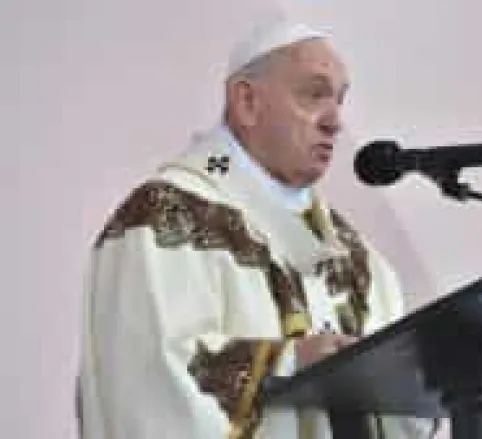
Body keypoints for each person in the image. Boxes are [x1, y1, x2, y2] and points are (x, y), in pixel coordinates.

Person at [77, 19, 436, 439]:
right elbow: (149, 384)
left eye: (339, 100)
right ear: (247, 101)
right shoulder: (165, 219)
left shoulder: (360, 262)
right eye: (314, 94)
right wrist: (290, 363)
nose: (335, 121)